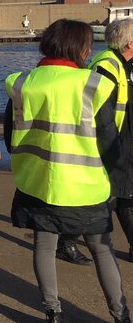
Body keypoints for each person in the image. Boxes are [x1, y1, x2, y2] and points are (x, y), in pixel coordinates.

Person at [4, 19, 130, 323]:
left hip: (38, 183)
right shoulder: (93, 85)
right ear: (81, 49)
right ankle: (120, 315)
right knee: (102, 249)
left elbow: (10, 137)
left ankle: (53, 312)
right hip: (86, 185)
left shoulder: (22, 83)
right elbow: (109, 143)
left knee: (44, 247)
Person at [89, 18, 133, 263]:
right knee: (116, 195)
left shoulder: (124, 64)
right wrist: (111, 148)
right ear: (130, 43)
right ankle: (66, 239)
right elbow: (100, 112)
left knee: (124, 194)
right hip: (113, 141)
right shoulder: (106, 66)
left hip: (123, 139)